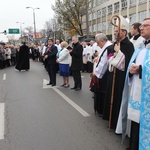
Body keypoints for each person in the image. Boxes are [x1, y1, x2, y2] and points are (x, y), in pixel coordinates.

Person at [116, 18, 150, 150]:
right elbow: (131, 65)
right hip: (136, 91)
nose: (141, 28)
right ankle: (133, 145)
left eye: (145, 25)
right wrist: (130, 71)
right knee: (136, 120)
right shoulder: (140, 49)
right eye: (141, 26)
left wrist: (140, 69)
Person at [102, 15, 134, 130]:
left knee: (118, 97)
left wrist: (118, 52)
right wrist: (114, 51)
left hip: (121, 76)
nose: (115, 33)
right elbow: (110, 55)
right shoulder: (115, 43)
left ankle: (116, 121)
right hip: (112, 74)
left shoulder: (129, 45)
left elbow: (128, 61)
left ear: (124, 32)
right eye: (115, 31)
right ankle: (109, 118)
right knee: (111, 94)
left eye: (117, 31)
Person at [92, 33, 112, 116]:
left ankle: (102, 110)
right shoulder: (105, 47)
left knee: (103, 92)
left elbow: (103, 63)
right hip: (103, 73)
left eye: (98, 42)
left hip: (104, 75)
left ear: (103, 41)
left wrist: (96, 73)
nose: (97, 44)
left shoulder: (108, 48)